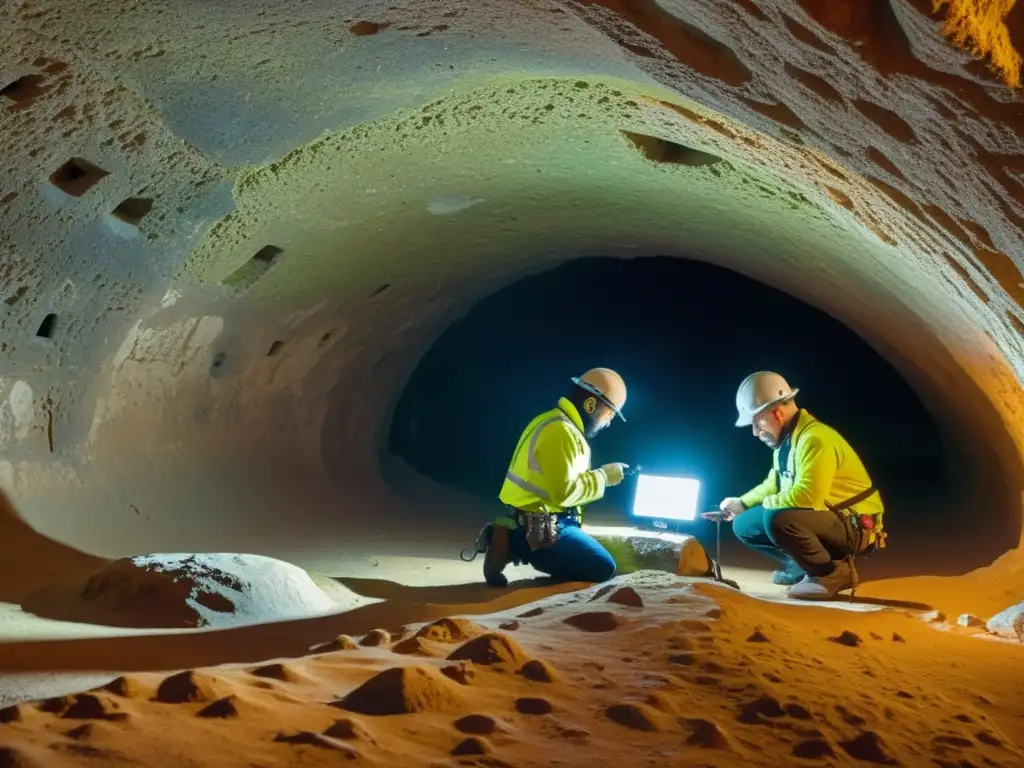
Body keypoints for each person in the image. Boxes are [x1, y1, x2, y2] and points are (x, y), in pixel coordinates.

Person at [706, 371, 885, 600]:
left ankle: (829, 573)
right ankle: (802, 566)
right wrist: (742, 503)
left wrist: (769, 506)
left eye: (757, 422)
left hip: (855, 526)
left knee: (777, 518)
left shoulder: (814, 439)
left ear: (777, 413)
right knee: (744, 524)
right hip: (829, 517)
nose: (755, 432)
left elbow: (808, 497)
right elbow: (774, 483)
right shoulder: (787, 441)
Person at [476, 367, 629, 587]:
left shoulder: (554, 422)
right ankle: (512, 542)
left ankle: (519, 540)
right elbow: (564, 493)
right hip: (541, 526)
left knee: (593, 556)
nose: (608, 422)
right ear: (590, 405)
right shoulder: (561, 431)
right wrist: (604, 477)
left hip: (542, 518)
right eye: (609, 413)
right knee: (602, 567)